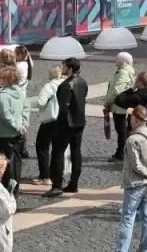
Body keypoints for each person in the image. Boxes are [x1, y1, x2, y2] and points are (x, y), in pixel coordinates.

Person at [116, 105, 147, 252]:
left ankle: (122, 249)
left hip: (135, 183)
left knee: (128, 218)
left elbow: (136, 165)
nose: (129, 119)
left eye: (131, 117)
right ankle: (145, 248)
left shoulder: (132, 140)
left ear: (135, 119)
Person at [46, 57, 87, 198]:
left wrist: (58, 124)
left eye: (64, 67)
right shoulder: (82, 81)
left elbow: (63, 108)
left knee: (57, 153)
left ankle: (57, 185)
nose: (62, 69)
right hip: (79, 121)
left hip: (66, 123)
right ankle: (73, 183)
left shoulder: (65, 85)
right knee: (76, 152)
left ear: (70, 68)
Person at [0, 66, 29, 192]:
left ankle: (7, 188)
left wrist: (17, 126)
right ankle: (15, 187)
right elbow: (26, 109)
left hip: (4, 133)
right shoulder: (21, 92)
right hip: (18, 132)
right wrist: (23, 125)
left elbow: (5, 115)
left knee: (5, 163)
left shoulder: (3, 96)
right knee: (16, 161)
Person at [32, 64, 66, 183]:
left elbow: (41, 102)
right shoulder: (66, 84)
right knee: (58, 149)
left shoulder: (49, 86)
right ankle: (56, 175)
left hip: (50, 120)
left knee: (42, 147)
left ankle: (45, 175)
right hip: (63, 120)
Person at [103, 52, 137, 162]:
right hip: (122, 106)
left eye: (117, 59)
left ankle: (121, 153)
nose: (115, 61)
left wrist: (107, 102)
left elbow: (116, 90)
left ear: (122, 61)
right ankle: (124, 151)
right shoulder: (127, 71)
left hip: (119, 107)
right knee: (123, 129)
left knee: (121, 130)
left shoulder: (123, 72)